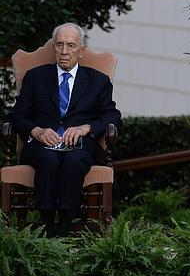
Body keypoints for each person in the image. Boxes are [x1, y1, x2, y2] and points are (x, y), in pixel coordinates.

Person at [7, 22, 122, 237]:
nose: (64, 52)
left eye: (71, 45)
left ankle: (65, 225)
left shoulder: (98, 81)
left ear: (81, 51)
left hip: (81, 145)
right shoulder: (35, 77)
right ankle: (48, 224)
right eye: (59, 45)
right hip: (42, 143)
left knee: (73, 160)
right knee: (48, 160)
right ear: (54, 48)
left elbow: (112, 116)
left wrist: (87, 127)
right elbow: (16, 115)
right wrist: (36, 131)